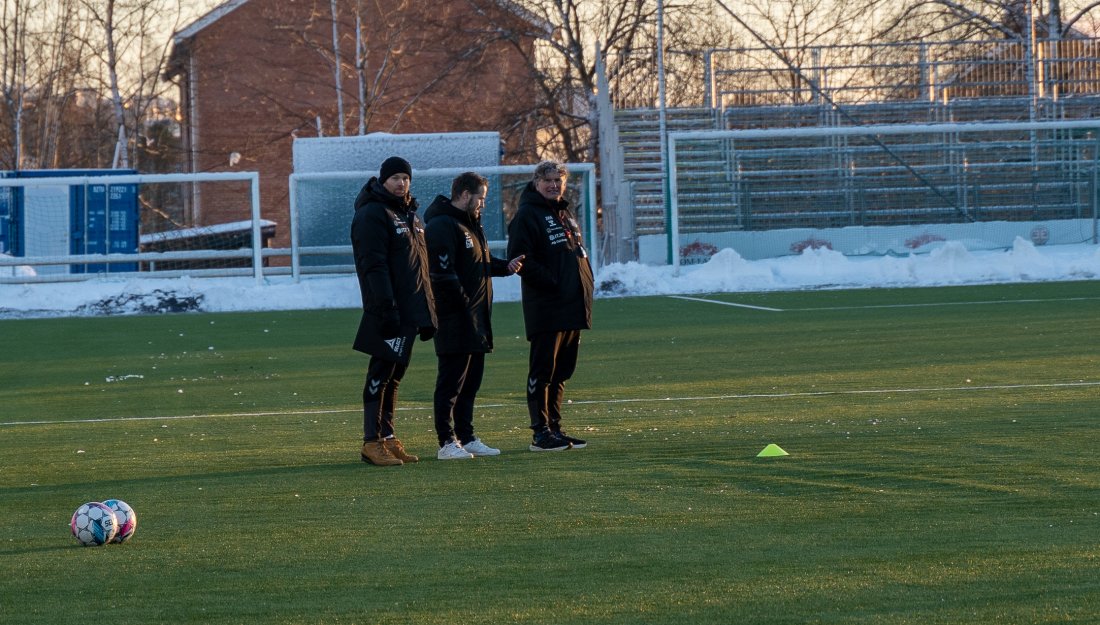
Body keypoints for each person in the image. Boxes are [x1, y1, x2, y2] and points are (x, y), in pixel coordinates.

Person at [424, 172, 524, 460]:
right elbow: (443, 275)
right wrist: (465, 307)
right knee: (451, 382)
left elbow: (477, 264)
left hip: (477, 318)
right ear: (465, 195)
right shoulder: (442, 225)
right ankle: (446, 442)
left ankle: (466, 437)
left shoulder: (470, 225)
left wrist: (505, 267)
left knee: (471, 382)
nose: (483, 204)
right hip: (455, 318)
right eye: (480, 198)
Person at [350, 156, 437, 466]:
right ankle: (370, 442)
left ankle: (387, 438)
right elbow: (373, 264)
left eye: (406, 177)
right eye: (396, 178)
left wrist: (428, 312)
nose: (402, 183)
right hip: (388, 310)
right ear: (383, 180)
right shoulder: (373, 213)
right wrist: (386, 307)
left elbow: (419, 267)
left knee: (395, 375)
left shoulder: (411, 215)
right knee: (380, 372)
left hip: (411, 310)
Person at [506, 160, 594, 452]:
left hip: (571, 305)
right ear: (536, 182)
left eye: (559, 180)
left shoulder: (564, 213)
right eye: (548, 180)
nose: (554, 185)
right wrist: (554, 283)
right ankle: (539, 433)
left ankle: (555, 428)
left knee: (561, 371)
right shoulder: (527, 215)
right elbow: (521, 260)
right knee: (542, 370)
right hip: (547, 306)